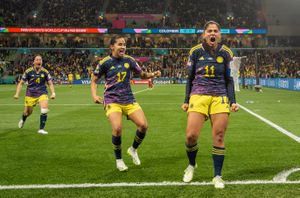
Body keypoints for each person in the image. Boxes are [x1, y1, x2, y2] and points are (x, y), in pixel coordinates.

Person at [181, 21, 239, 188]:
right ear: (204, 34)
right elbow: (189, 78)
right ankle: (191, 165)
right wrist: (186, 100)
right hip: (198, 95)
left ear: (219, 34)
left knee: (219, 136)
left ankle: (217, 176)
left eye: (215, 31)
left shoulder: (227, 53)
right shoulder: (195, 51)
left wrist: (233, 101)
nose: (212, 34)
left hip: (219, 95)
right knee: (191, 136)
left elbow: (229, 79)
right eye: (209, 31)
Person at [91, 36, 161, 172]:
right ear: (112, 47)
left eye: (124, 45)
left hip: (128, 98)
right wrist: (94, 95)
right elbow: (94, 80)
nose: (123, 47)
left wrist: (152, 74)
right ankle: (119, 160)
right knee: (117, 128)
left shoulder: (130, 60)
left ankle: (133, 150)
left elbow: (141, 75)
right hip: (112, 99)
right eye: (119, 44)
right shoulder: (105, 62)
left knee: (143, 125)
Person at [14, 55, 56, 135]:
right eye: (37, 60)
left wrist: (53, 93)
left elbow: (50, 83)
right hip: (30, 94)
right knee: (27, 113)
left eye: (40, 60)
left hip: (42, 93)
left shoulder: (45, 72)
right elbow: (21, 83)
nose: (38, 61)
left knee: (44, 109)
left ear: (42, 62)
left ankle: (41, 129)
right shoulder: (28, 71)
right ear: (34, 62)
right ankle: (23, 119)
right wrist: (17, 94)